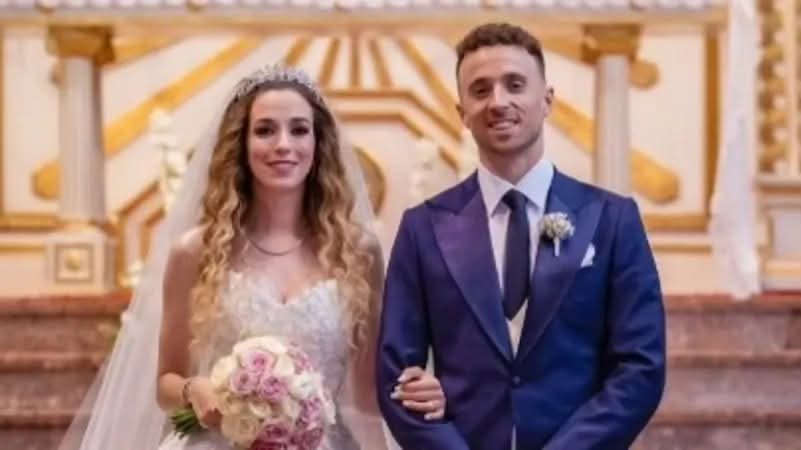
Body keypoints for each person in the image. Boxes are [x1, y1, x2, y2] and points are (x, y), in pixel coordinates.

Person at [57, 64, 444, 450]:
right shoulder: (196, 251)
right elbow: (166, 383)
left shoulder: (357, 251)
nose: (283, 144)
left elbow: (366, 397)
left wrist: (422, 394)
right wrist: (194, 389)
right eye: (265, 130)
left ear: (318, 143)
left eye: (299, 129)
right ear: (241, 144)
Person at [377, 22, 666, 450]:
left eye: (515, 85)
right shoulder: (423, 228)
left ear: (546, 100)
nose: (498, 102)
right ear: (462, 112)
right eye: (480, 90)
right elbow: (396, 376)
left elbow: (640, 367)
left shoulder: (611, 219)